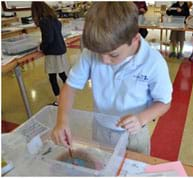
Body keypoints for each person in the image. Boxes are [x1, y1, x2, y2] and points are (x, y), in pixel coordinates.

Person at [52, 2, 172, 155]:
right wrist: (62, 121)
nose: (104, 60)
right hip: (101, 129)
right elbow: (70, 87)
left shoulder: (153, 62)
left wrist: (141, 118)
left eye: (113, 54)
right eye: (99, 53)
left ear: (135, 39)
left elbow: (164, 102)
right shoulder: (92, 53)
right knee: (105, 165)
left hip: (134, 134)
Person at [31, 2, 69, 106]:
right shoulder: (54, 19)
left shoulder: (44, 21)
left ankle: (59, 100)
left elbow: (49, 39)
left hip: (53, 52)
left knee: (52, 78)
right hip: (61, 50)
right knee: (62, 74)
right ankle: (69, 94)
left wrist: (41, 47)